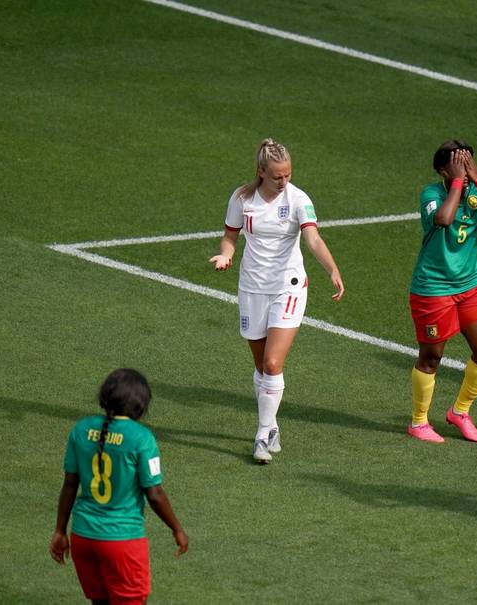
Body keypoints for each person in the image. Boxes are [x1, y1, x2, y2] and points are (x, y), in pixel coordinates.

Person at [210, 138, 344, 463]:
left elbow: (313, 238)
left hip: (289, 286)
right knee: (261, 367)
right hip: (252, 288)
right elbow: (230, 236)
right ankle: (271, 426)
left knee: (272, 363)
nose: (283, 181)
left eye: (287, 175)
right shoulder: (242, 199)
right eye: (277, 176)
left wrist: (332, 269)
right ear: (261, 172)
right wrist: (226, 255)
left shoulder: (299, 199)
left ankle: (261, 434)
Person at [50, 368, 188, 605]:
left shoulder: (81, 430)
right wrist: (177, 529)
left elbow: (70, 484)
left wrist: (60, 531)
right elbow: (154, 493)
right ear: (141, 405)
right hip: (121, 541)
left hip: (83, 537)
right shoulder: (141, 438)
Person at [407, 139, 477, 443]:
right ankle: (418, 422)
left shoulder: (476, 190)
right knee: (431, 357)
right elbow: (443, 219)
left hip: (470, 286)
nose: (464, 173)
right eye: (458, 167)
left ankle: (460, 412)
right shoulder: (431, 194)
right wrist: (456, 184)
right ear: (443, 170)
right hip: (433, 287)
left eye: (468, 165)